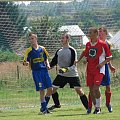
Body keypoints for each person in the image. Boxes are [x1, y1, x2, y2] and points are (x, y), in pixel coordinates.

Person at [48, 33, 88, 111]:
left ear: (67, 39)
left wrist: (63, 70)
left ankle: (88, 108)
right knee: (52, 90)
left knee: (79, 91)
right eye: (61, 38)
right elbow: (53, 62)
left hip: (72, 74)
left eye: (63, 38)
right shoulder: (59, 51)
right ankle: (57, 104)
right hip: (62, 74)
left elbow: (73, 66)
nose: (61, 39)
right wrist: (47, 67)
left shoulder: (72, 50)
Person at [77, 27, 112, 114]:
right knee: (91, 89)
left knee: (96, 88)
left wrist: (102, 64)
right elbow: (87, 54)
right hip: (90, 70)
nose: (89, 34)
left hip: (99, 70)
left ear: (96, 34)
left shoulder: (103, 44)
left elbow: (109, 57)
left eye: (90, 32)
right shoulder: (88, 44)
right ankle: (96, 107)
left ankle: (98, 107)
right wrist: (84, 60)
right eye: (88, 32)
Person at [23, 32, 52, 114]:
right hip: (36, 72)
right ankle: (44, 109)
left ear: (36, 38)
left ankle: (43, 107)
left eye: (33, 38)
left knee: (50, 89)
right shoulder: (29, 50)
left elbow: (46, 59)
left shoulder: (42, 49)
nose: (31, 40)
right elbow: (26, 61)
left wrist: (48, 64)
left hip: (44, 71)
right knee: (42, 90)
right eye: (30, 39)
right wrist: (26, 63)